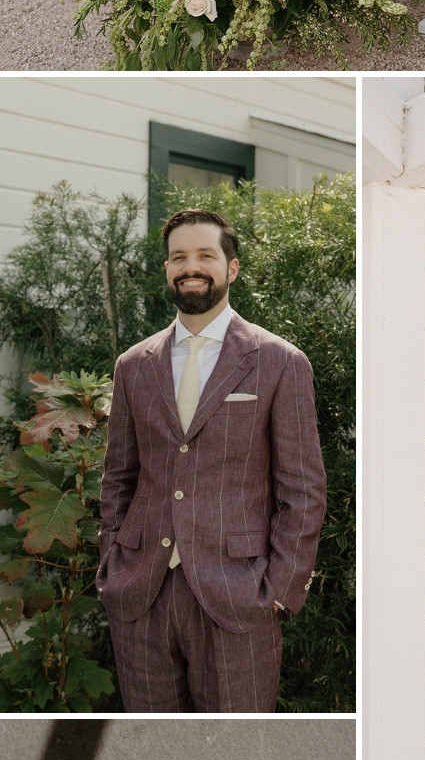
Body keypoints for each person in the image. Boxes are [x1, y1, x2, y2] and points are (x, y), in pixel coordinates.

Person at [96, 209, 327, 712]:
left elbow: (303, 492)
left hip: (240, 596)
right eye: (179, 257)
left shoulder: (279, 362)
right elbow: (119, 477)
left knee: (239, 749)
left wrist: (280, 591)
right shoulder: (134, 365)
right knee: (154, 745)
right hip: (141, 591)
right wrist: (111, 564)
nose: (191, 266)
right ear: (166, 269)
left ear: (232, 267)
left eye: (205, 255)